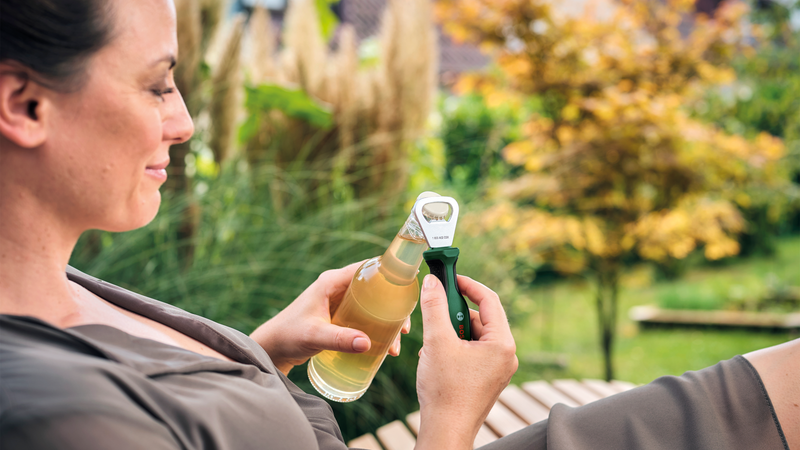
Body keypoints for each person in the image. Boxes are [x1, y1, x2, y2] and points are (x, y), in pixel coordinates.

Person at [0, 0, 796, 449]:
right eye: (157, 86)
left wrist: (262, 352)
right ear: (24, 105)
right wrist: (449, 417)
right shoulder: (55, 413)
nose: (183, 122)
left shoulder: (54, 287)